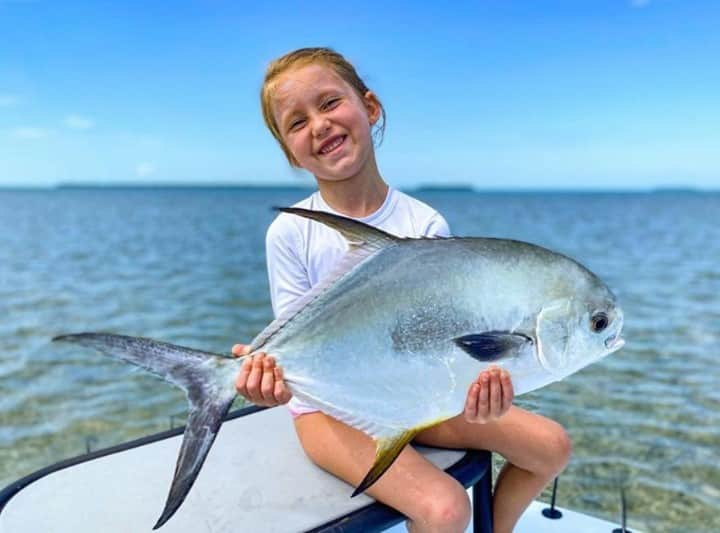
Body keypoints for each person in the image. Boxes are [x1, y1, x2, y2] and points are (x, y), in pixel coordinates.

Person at [232, 47, 571, 533]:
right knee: (445, 507)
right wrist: (269, 378)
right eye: (297, 122)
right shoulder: (290, 232)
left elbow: (440, 343)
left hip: (415, 399)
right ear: (290, 152)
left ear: (370, 108)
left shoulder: (424, 223)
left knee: (552, 446)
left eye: (329, 103)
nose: (320, 125)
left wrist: (478, 393)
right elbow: (294, 346)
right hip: (327, 413)